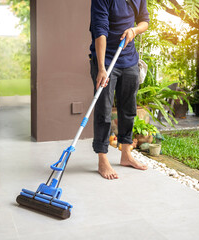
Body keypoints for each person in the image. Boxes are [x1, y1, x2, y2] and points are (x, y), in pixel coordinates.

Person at [89, 0, 149, 180]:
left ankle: (126, 155)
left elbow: (144, 21)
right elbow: (100, 30)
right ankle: (102, 158)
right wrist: (101, 68)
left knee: (128, 109)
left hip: (129, 59)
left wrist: (134, 30)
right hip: (105, 60)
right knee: (104, 110)